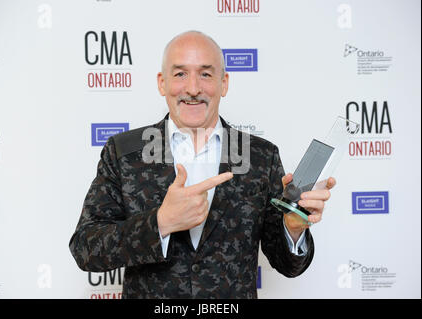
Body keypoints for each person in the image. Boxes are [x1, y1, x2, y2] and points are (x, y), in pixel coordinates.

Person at [69, 30, 335, 298]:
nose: (193, 88)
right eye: (180, 74)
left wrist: (293, 227)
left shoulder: (260, 157)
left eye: (206, 74)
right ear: (162, 83)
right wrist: (161, 222)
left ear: (224, 83)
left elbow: (288, 265)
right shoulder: (124, 152)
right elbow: (85, 248)